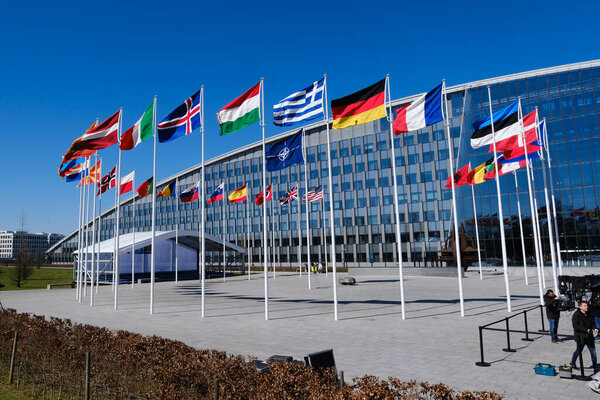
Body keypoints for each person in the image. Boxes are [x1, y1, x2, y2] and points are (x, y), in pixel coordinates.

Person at [570, 300, 599, 373]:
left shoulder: (589, 313)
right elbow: (576, 327)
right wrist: (586, 330)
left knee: (593, 352)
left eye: (587, 306)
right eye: (585, 306)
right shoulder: (576, 315)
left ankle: (595, 367)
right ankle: (573, 362)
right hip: (581, 337)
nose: (587, 307)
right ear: (580, 307)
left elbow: (593, 322)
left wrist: (595, 328)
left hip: (589, 337)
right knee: (578, 351)